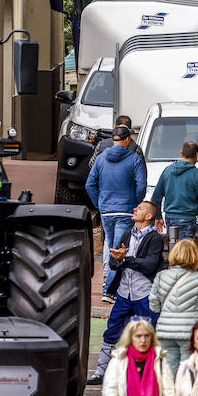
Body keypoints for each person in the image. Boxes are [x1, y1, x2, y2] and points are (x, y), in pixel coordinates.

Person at [89, 201, 165, 386]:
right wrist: (119, 260)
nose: (134, 209)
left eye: (139, 208)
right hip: (124, 293)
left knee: (148, 334)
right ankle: (100, 371)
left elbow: (150, 264)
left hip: (144, 293)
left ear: (148, 216)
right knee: (112, 331)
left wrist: (125, 260)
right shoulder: (126, 234)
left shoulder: (154, 238)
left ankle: (148, 374)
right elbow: (115, 263)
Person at [87, 125, 148, 295]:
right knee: (119, 247)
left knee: (109, 243)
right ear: (128, 140)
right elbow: (141, 185)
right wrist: (136, 201)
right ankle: (109, 290)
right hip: (125, 209)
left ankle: (107, 276)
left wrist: (99, 203)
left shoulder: (100, 159)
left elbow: (89, 184)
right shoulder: (134, 159)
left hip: (106, 209)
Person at [149, 239, 198, 377]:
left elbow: (154, 306)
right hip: (191, 332)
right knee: (189, 376)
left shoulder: (161, 276)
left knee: (169, 376)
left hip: (165, 331)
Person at [151, 142, 198, 242]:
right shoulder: (197, 175)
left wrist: (158, 216)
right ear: (197, 154)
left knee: (173, 248)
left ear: (181, 153)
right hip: (187, 218)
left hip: (169, 217)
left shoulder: (167, 171)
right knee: (184, 252)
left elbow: (156, 197)